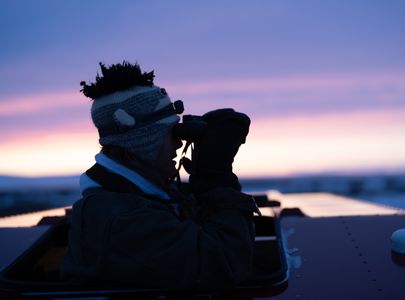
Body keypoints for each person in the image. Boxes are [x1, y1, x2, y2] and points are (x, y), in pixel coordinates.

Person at [61, 61, 260, 290]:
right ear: (142, 143)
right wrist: (216, 178)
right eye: (170, 133)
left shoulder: (138, 195)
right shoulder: (121, 219)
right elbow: (226, 265)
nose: (179, 142)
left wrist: (203, 184)